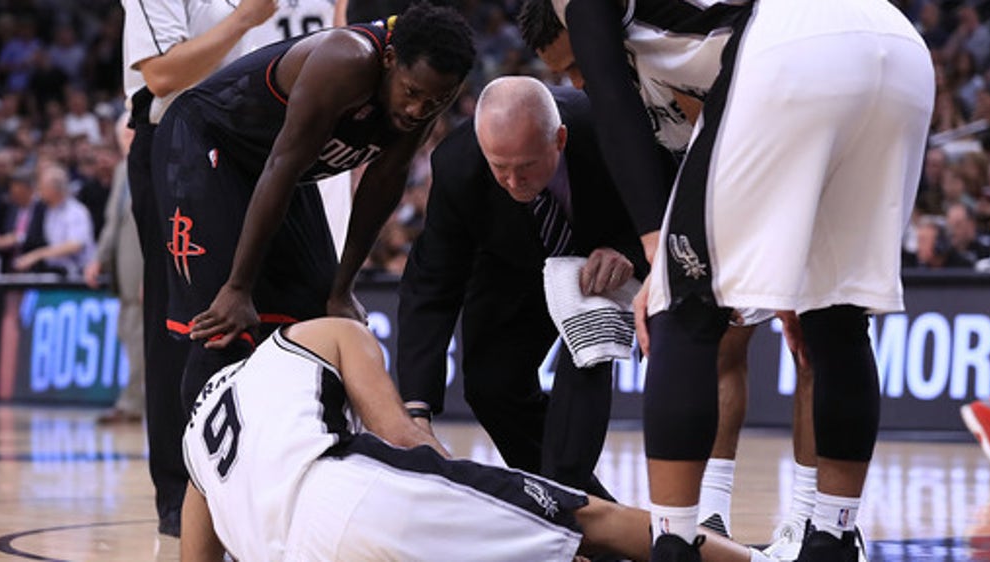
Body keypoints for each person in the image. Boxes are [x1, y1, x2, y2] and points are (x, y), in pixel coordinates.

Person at [540, 0, 934, 560]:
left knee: (682, 312)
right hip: (896, 44)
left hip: (790, 46)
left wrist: (659, 253)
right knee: (837, 316)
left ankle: (673, 544)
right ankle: (833, 537)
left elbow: (608, 96)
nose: (575, 81)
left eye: (573, 63)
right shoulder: (677, 53)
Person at [516, 0, 818, 545]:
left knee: (812, 337)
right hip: (716, 169)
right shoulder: (632, 74)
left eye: (579, 64)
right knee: (724, 343)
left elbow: (723, 127)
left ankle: (808, 520)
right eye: (565, 74)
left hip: (769, 151)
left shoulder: (663, 53)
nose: (578, 82)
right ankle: (712, 512)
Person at [183, 315, 778, 562]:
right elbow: (400, 435)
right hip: (349, 497)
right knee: (587, 519)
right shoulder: (313, 333)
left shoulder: (194, 448)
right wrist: (469, 489)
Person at [122, 0, 340, 536]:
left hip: (260, 143)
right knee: (186, 322)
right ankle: (182, 494)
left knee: (303, 301)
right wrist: (245, 17)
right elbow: (162, 72)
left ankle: (286, 479)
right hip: (178, 144)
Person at [397, 76, 648, 500]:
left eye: (527, 165)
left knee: (586, 355)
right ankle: (579, 507)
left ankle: (566, 501)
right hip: (510, 263)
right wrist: (416, 407)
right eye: (501, 167)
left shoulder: (610, 126)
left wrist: (629, 250)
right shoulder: (457, 166)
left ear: (559, 140)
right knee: (490, 385)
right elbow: (431, 281)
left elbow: (669, 196)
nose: (514, 181)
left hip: (603, 262)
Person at [85, 113, 145, 425]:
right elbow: (113, 222)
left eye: (131, 134)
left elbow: (156, 225)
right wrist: (98, 259)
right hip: (124, 268)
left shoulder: (150, 166)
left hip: (141, 268)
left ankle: (133, 404)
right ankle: (133, 401)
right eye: (123, 135)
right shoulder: (123, 169)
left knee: (137, 336)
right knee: (128, 332)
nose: (127, 140)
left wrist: (153, 273)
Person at [13, 163, 95, 276]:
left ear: (54, 189)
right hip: (55, 273)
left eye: (42, 186)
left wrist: (37, 254)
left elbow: (75, 245)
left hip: (79, 275)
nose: (38, 190)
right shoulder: (48, 211)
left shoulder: (76, 211)